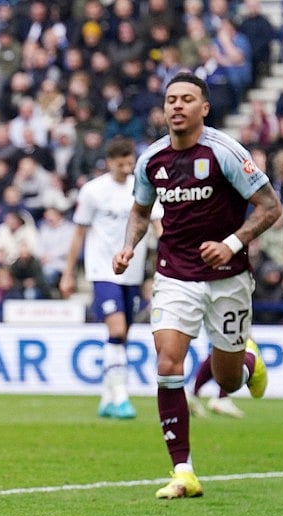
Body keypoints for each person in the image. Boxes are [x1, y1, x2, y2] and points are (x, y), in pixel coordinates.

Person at [113, 72, 282, 499]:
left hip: (228, 278)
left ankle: (246, 362)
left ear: (203, 108)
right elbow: (139, 210)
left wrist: (230, 244)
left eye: (187, 99)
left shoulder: (225, 152)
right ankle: (183, 470)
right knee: (168, 363)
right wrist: (129, 248)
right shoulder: (151, 159)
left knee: (228, 378)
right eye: (171, 99)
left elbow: (270, 207)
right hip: (174, 275)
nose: (177, 106)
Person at [60, 138, 161, 419]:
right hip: (103, 270)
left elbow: (159, 225)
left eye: (131, 162)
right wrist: (69, 273)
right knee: (117, 331)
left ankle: (106, 397)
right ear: (110, 162)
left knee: (122, 336)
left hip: (133, 271)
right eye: (122, 163)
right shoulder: (93, 191)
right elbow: (79, 232)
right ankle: (120, 397)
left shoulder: (142, 187)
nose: (127, 167)